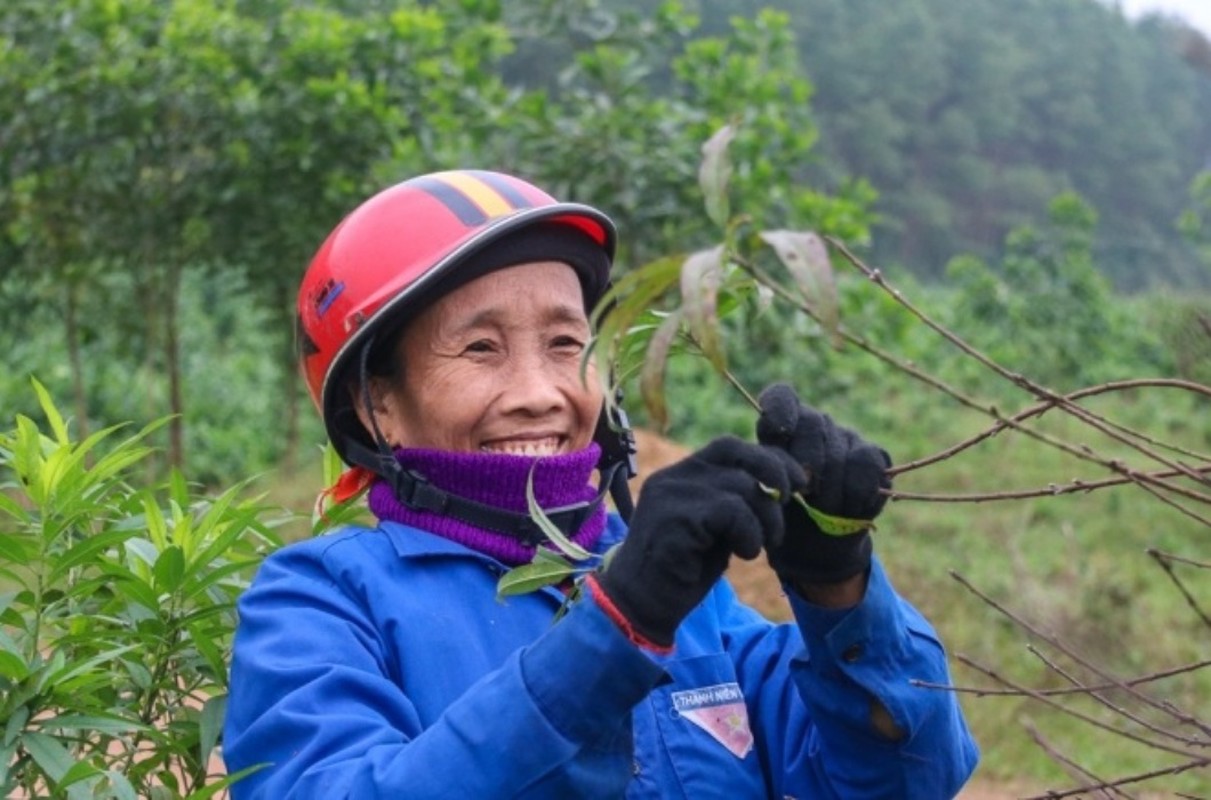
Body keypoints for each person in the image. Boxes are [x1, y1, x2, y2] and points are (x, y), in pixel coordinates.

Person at [222, 169, 979, 798]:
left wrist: (837, 584)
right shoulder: (319, 603)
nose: (539, 391)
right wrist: (614, 630)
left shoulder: (696, 605)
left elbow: (906, 777)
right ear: (377, 403)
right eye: (480, 348)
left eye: (564, 343)